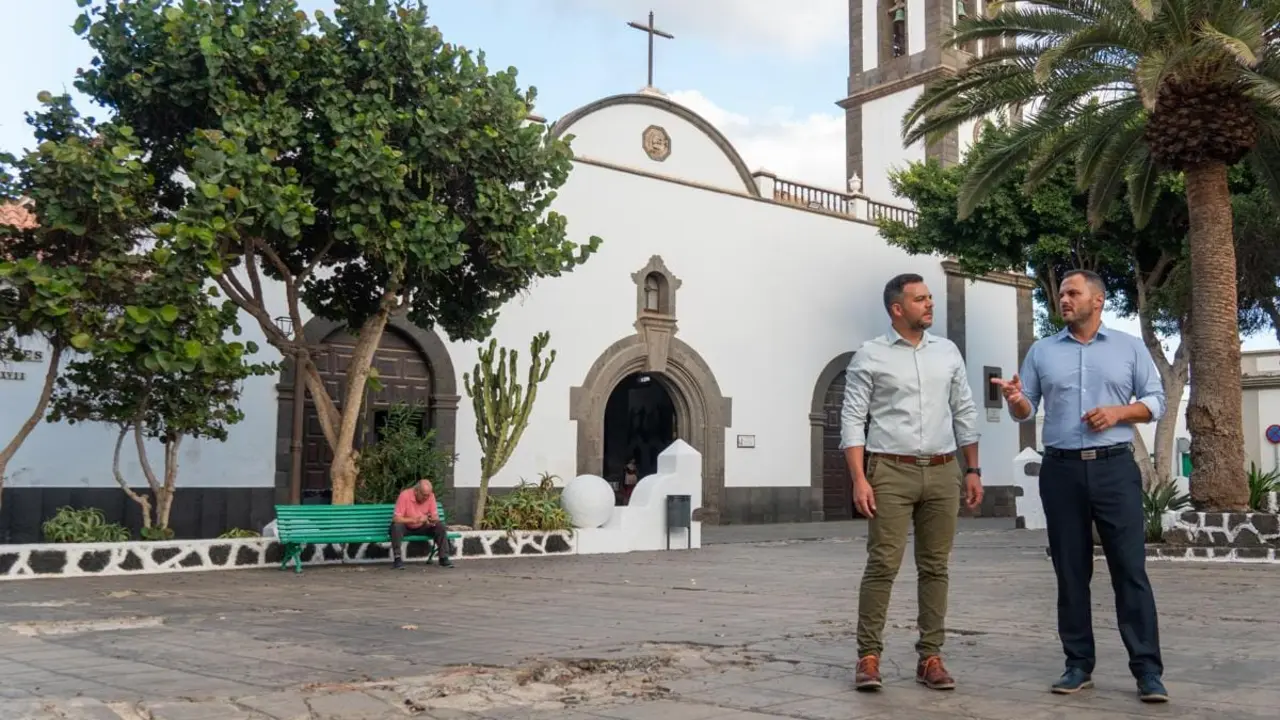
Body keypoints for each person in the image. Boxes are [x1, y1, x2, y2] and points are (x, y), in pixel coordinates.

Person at [991, 269, 1167, 704]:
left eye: (1073, 293)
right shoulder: (1042, 351)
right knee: (1070, 573)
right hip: (1061, 471)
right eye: (1062, 294)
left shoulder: (1129, 348)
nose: (1064, 299)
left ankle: (1147, 670)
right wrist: (1016, 401)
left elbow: (1157, 401)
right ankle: (1077, 664)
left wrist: (1120, 413)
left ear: (1098, 300)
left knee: (1130, 571)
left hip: (1114, 470)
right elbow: (1025, 410)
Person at [840, 273, 984, 692]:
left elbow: (965, 411)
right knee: (883, 563)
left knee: (935, 567)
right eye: (920, 300)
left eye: (930, 298)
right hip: (889, 470)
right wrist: (859, 479)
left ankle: (930, 657)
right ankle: (868, 657)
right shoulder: (870, 355)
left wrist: (972, 469)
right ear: (897, 309)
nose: (929, 305)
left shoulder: (948, 352)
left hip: (943, 470)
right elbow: (852, 419)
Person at [390, 478, 454, 569]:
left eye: (428, 495)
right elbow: (396, 519)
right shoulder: (405, 495)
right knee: (396, 527)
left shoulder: (430, 496)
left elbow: (435, 516)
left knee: (440, 526)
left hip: (422, 526)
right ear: (416, 491)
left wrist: (433, 520)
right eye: (424, 495)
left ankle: (444, 558)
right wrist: (414, 520)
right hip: (406, 526)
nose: (426, 498)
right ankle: (397, 559)